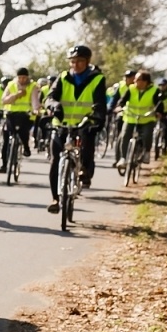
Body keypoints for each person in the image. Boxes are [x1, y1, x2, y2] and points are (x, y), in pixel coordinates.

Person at [46, 44, 107, 212]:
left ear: (87, 61)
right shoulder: (63, 77)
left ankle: (85, 171)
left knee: (87, 142)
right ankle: (55, 199)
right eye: (73, 61)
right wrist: (54, 105)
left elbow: (100, 102)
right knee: (55, 161)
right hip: (62, 124)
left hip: (84, 122)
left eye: (80, 61)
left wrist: (96, 115)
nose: (76, 64)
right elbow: (50, 97)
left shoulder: (97, 78)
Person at [0, 68, 39, 171]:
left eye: (24, 77)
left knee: (23, 132)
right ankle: (4, 164)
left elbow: (34, 100)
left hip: (26, 115)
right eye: (20, 77)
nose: (22, 80)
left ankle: (26, 147)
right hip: (11, 114)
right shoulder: (11, 85)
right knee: (6, 138)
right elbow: (4, 100)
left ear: (27, 77)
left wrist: (35, 110)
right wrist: (16, 95)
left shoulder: (33, 86)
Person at [115, 70, 160, 168]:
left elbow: (158, 104)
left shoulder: (154, 90)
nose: (134, 81)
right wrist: (119, 107)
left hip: (146, 119)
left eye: (138, 79)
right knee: (125, 135)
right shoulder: (131, 89)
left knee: (148, 135)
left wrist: (158, 112)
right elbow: (122, 100)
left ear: (145, 82)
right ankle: (123, 158)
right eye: (135, 79)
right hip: (131, 117)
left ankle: (147, 152)